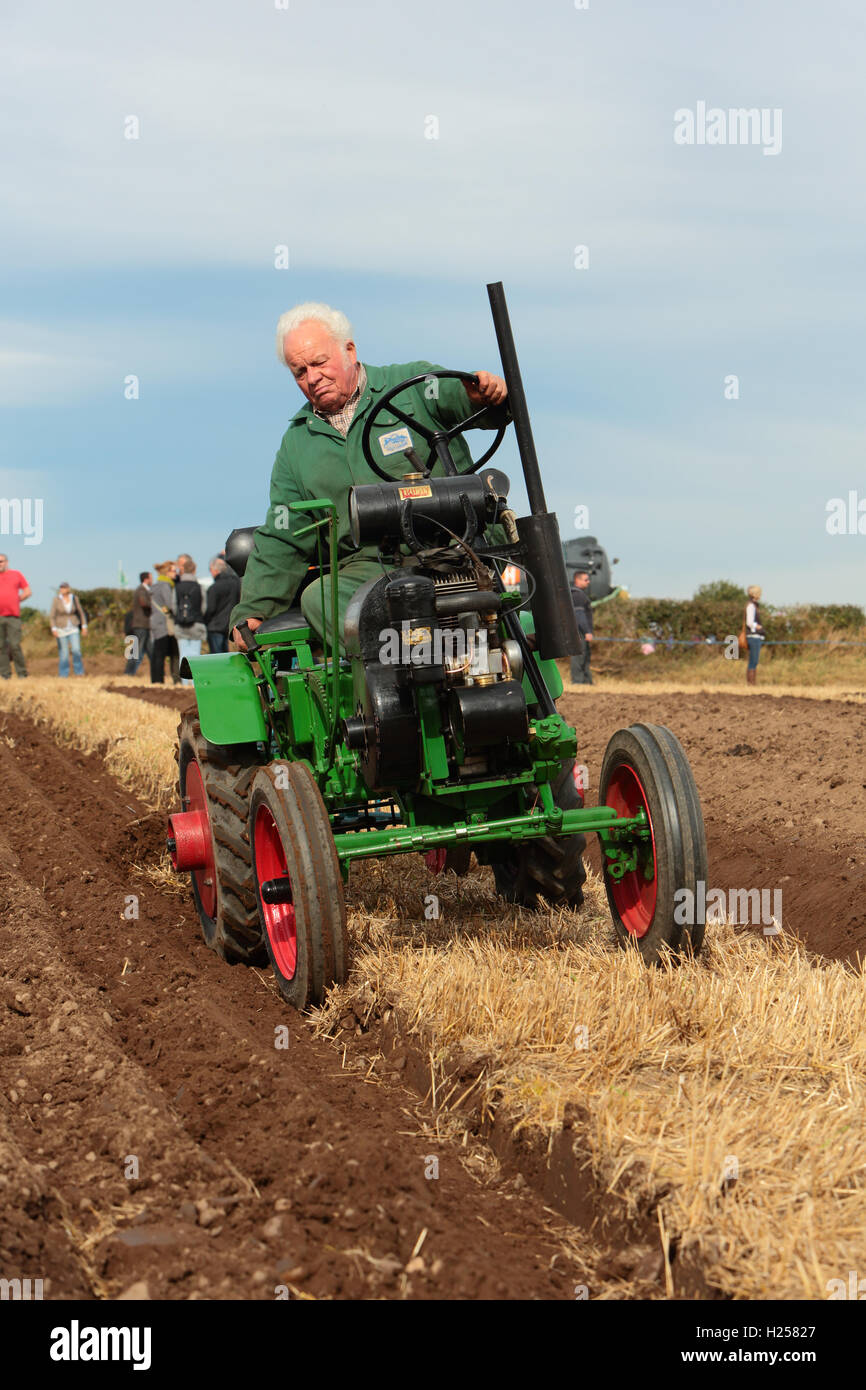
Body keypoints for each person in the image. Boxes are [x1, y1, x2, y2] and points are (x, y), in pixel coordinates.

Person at [229, 301, 508, 652]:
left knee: (514, 592)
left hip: (458, 548)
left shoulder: (412, 387)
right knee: (320, 598)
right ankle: (395, 682)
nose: (312, 378)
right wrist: (254, 609)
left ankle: (490, 662)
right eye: (299, 371)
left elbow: (465, 398)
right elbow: (285, 534)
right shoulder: (297, 444)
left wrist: (483, 392)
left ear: (349, 350)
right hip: (372, 569)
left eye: (319, 362)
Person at [174, 555, 207, 685]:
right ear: (194, 570)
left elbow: (173, 605)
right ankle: (193, 683)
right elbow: (204, 607)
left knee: (183, 653)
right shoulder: (200, 587)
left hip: (180, 624)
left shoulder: (177, 587)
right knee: (195, 654)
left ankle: (184, 682)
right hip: (196, 623)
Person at [0, 553, 31, 680]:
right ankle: (5, 674)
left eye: (1, 561)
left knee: (15, 645)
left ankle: (22, 674)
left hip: (13, 617)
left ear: (6, 562)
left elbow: (27, 591)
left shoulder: (16, 574)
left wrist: (16, 600)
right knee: (0, 646)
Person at [49, 582, 88, 676]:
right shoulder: (56, 599)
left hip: (73, 627)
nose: (62, 589)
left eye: (64, 588)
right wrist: (53, 628)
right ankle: (63, 674)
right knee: (64, 653)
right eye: (61, 588)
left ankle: (79, 672)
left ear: (68, 589)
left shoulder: (74, 598)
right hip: (61, 628)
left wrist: (84, 626)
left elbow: (81, 612)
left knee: (76, 650)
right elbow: (52, 615)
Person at [150, 562, 179, 685]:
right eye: (173, 571)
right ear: (167, 572)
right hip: (166, 624)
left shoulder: (154, 586)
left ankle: (157, 680)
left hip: (156, 623)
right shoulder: (167, 586)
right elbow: (170, 604)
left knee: (158, 654)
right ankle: (176, 679)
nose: (175, 573)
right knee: (174, 653)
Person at [204, 556, 240, 654]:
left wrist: (205, 621)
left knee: (216, 655)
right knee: (225, 654)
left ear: (215, 570)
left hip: (215, 626)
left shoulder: (214, 588)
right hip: (228, 625)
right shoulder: (236, 584)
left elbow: (210, 609)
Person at [125, 571, 153, 675]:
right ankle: (129, 673)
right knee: (136, 651)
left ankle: (157, 672)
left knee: (151, 651)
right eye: (151, 578)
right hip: (141, 625)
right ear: (146, 579)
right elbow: (143, 602)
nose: (152, 580)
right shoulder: (142, 590)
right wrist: (154, 605)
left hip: (145, 625)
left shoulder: (144, 589)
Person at [569, 568, 594, 685]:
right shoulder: (578, 595)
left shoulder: (578, 594)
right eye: (586, 580)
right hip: (580, 631)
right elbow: (579, 615)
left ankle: (586, 681)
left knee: (585, 655)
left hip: (580, 631)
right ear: (577, 580)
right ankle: (578, 681)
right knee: (579, 656)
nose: (588, 582)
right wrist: (587, 631)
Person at [744, 584, 765, 686]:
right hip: (753, 636)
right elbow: (749, 622)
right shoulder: (751, 606)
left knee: (754, 660)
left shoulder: (754, 605)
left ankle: (752, 682)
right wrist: (758, 627)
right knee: (753, 660)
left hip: (756, 636)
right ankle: (751, 683)